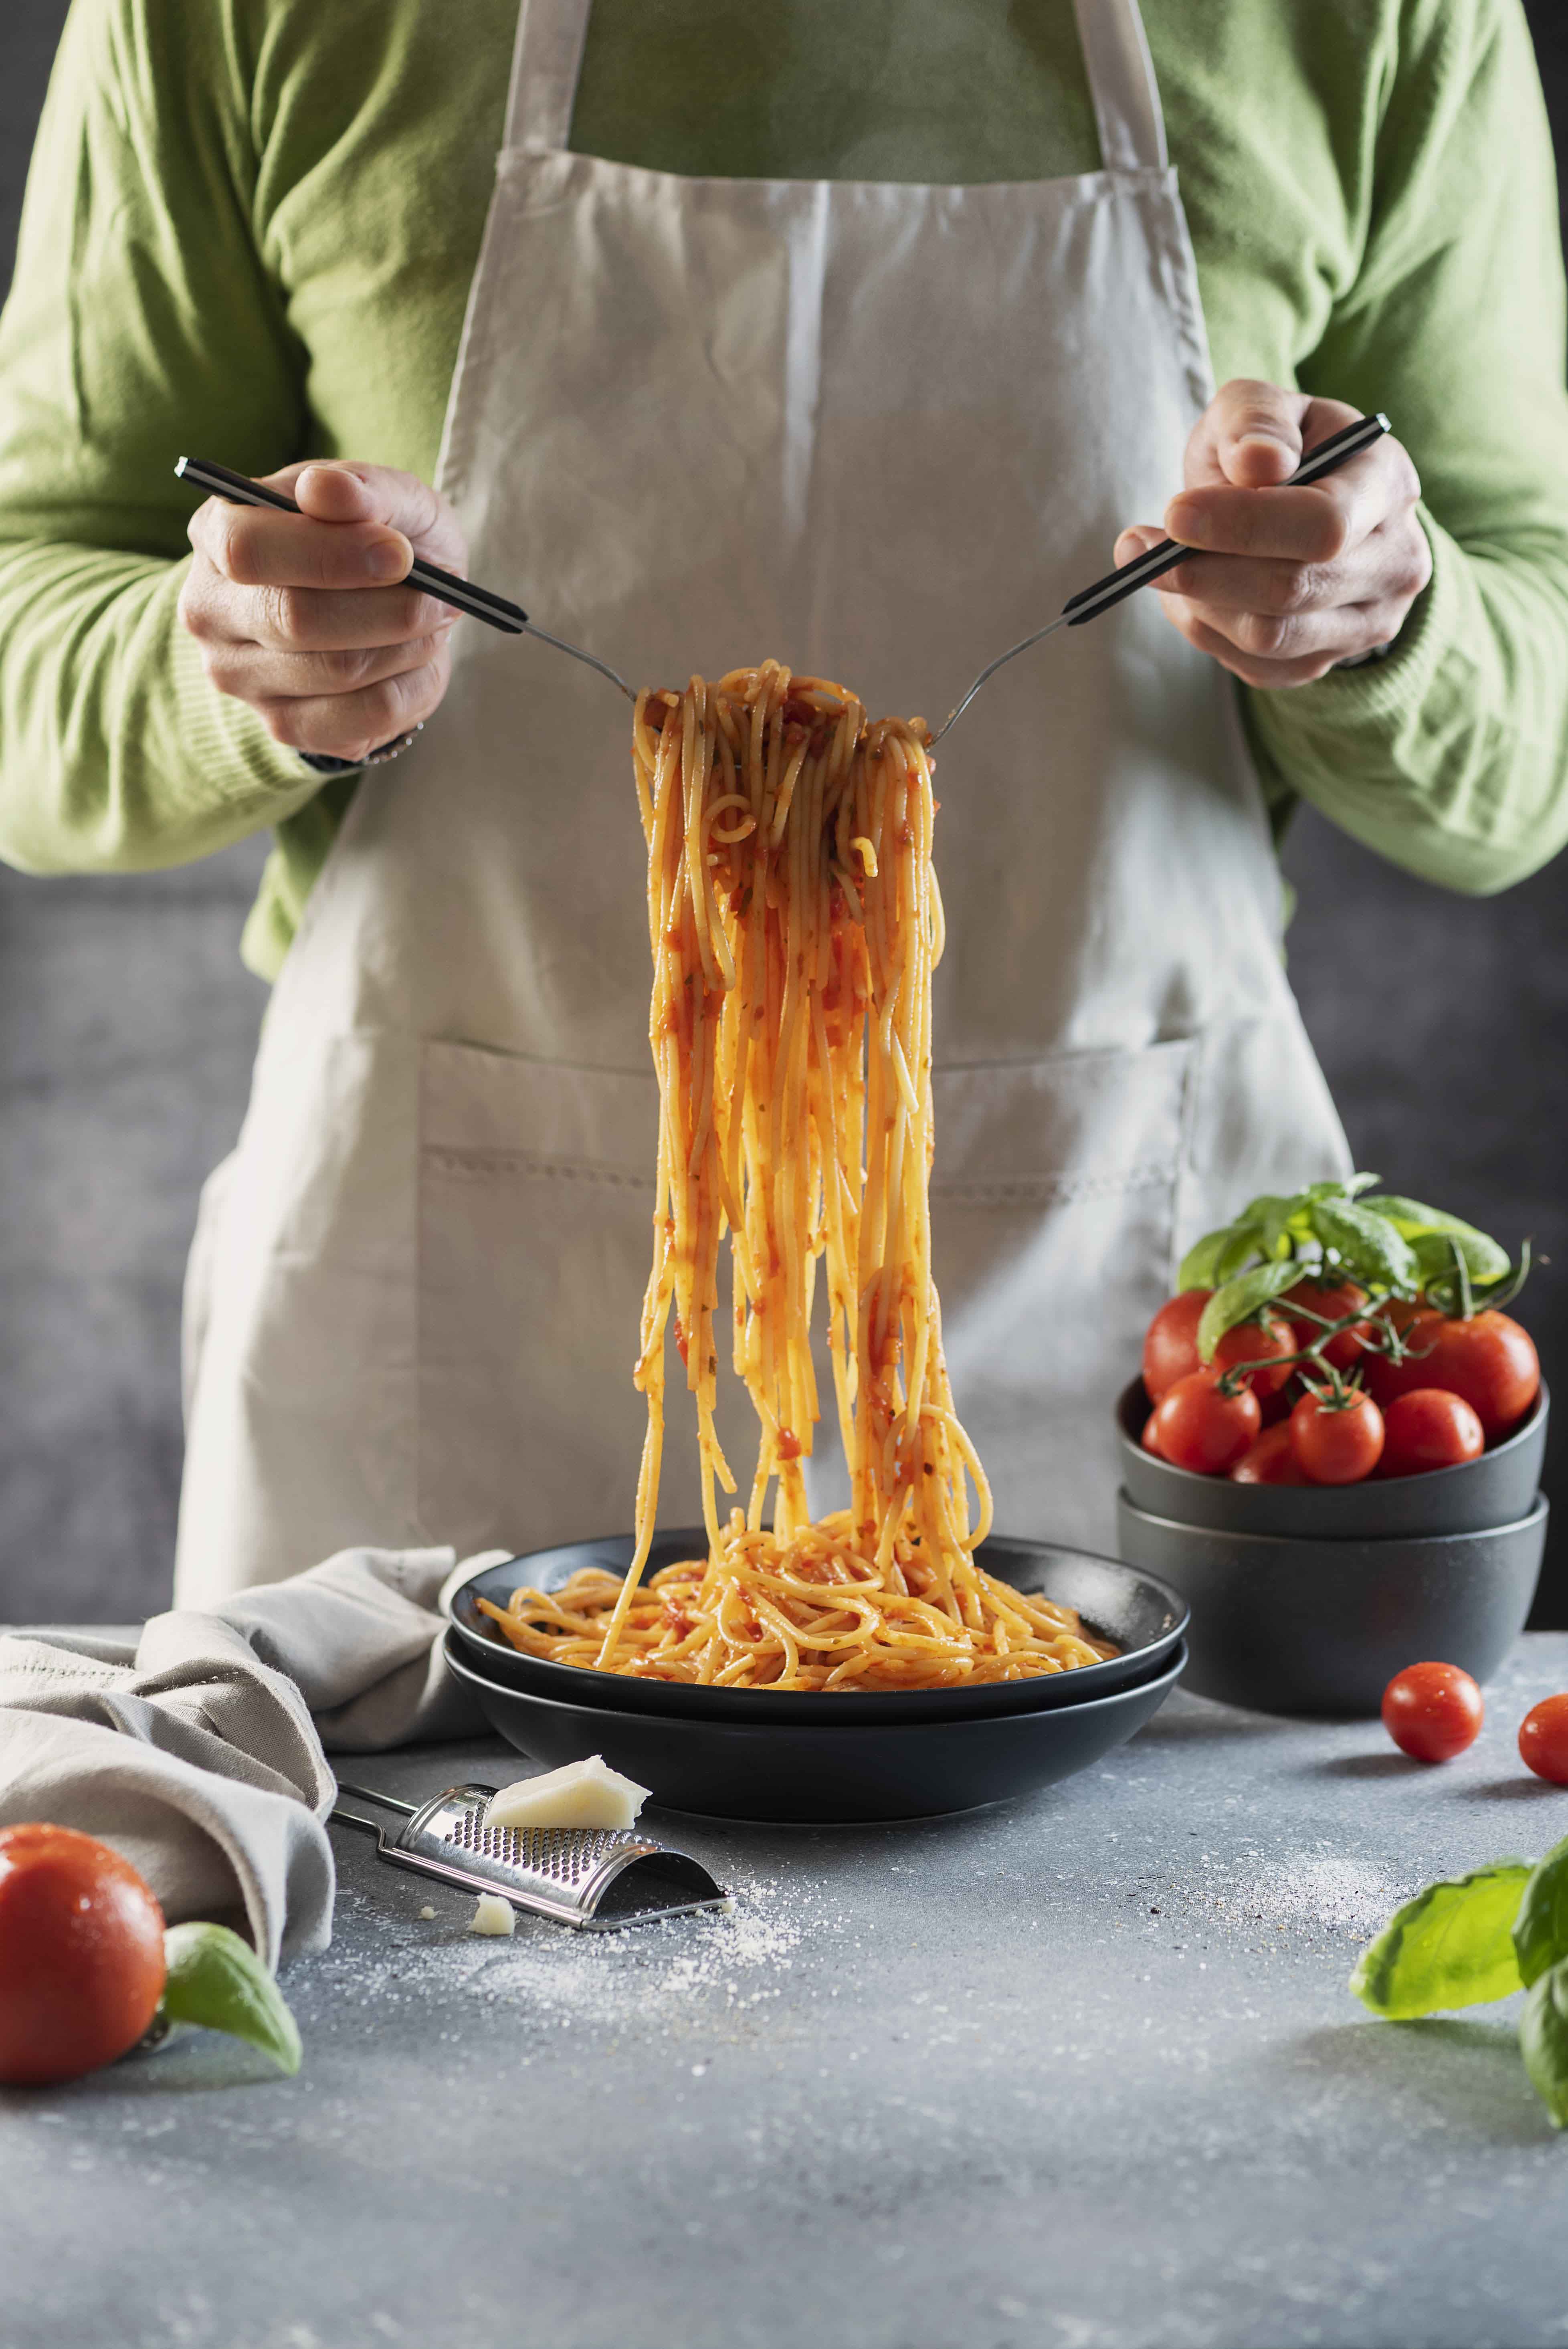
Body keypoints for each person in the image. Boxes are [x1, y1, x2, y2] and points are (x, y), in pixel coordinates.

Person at [2, 0, 1566, 1602]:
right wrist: (234, 660)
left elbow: (1530, 762)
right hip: (449, 1335)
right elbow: (23, 648)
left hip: (1119, 1323)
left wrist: (1392, 611)